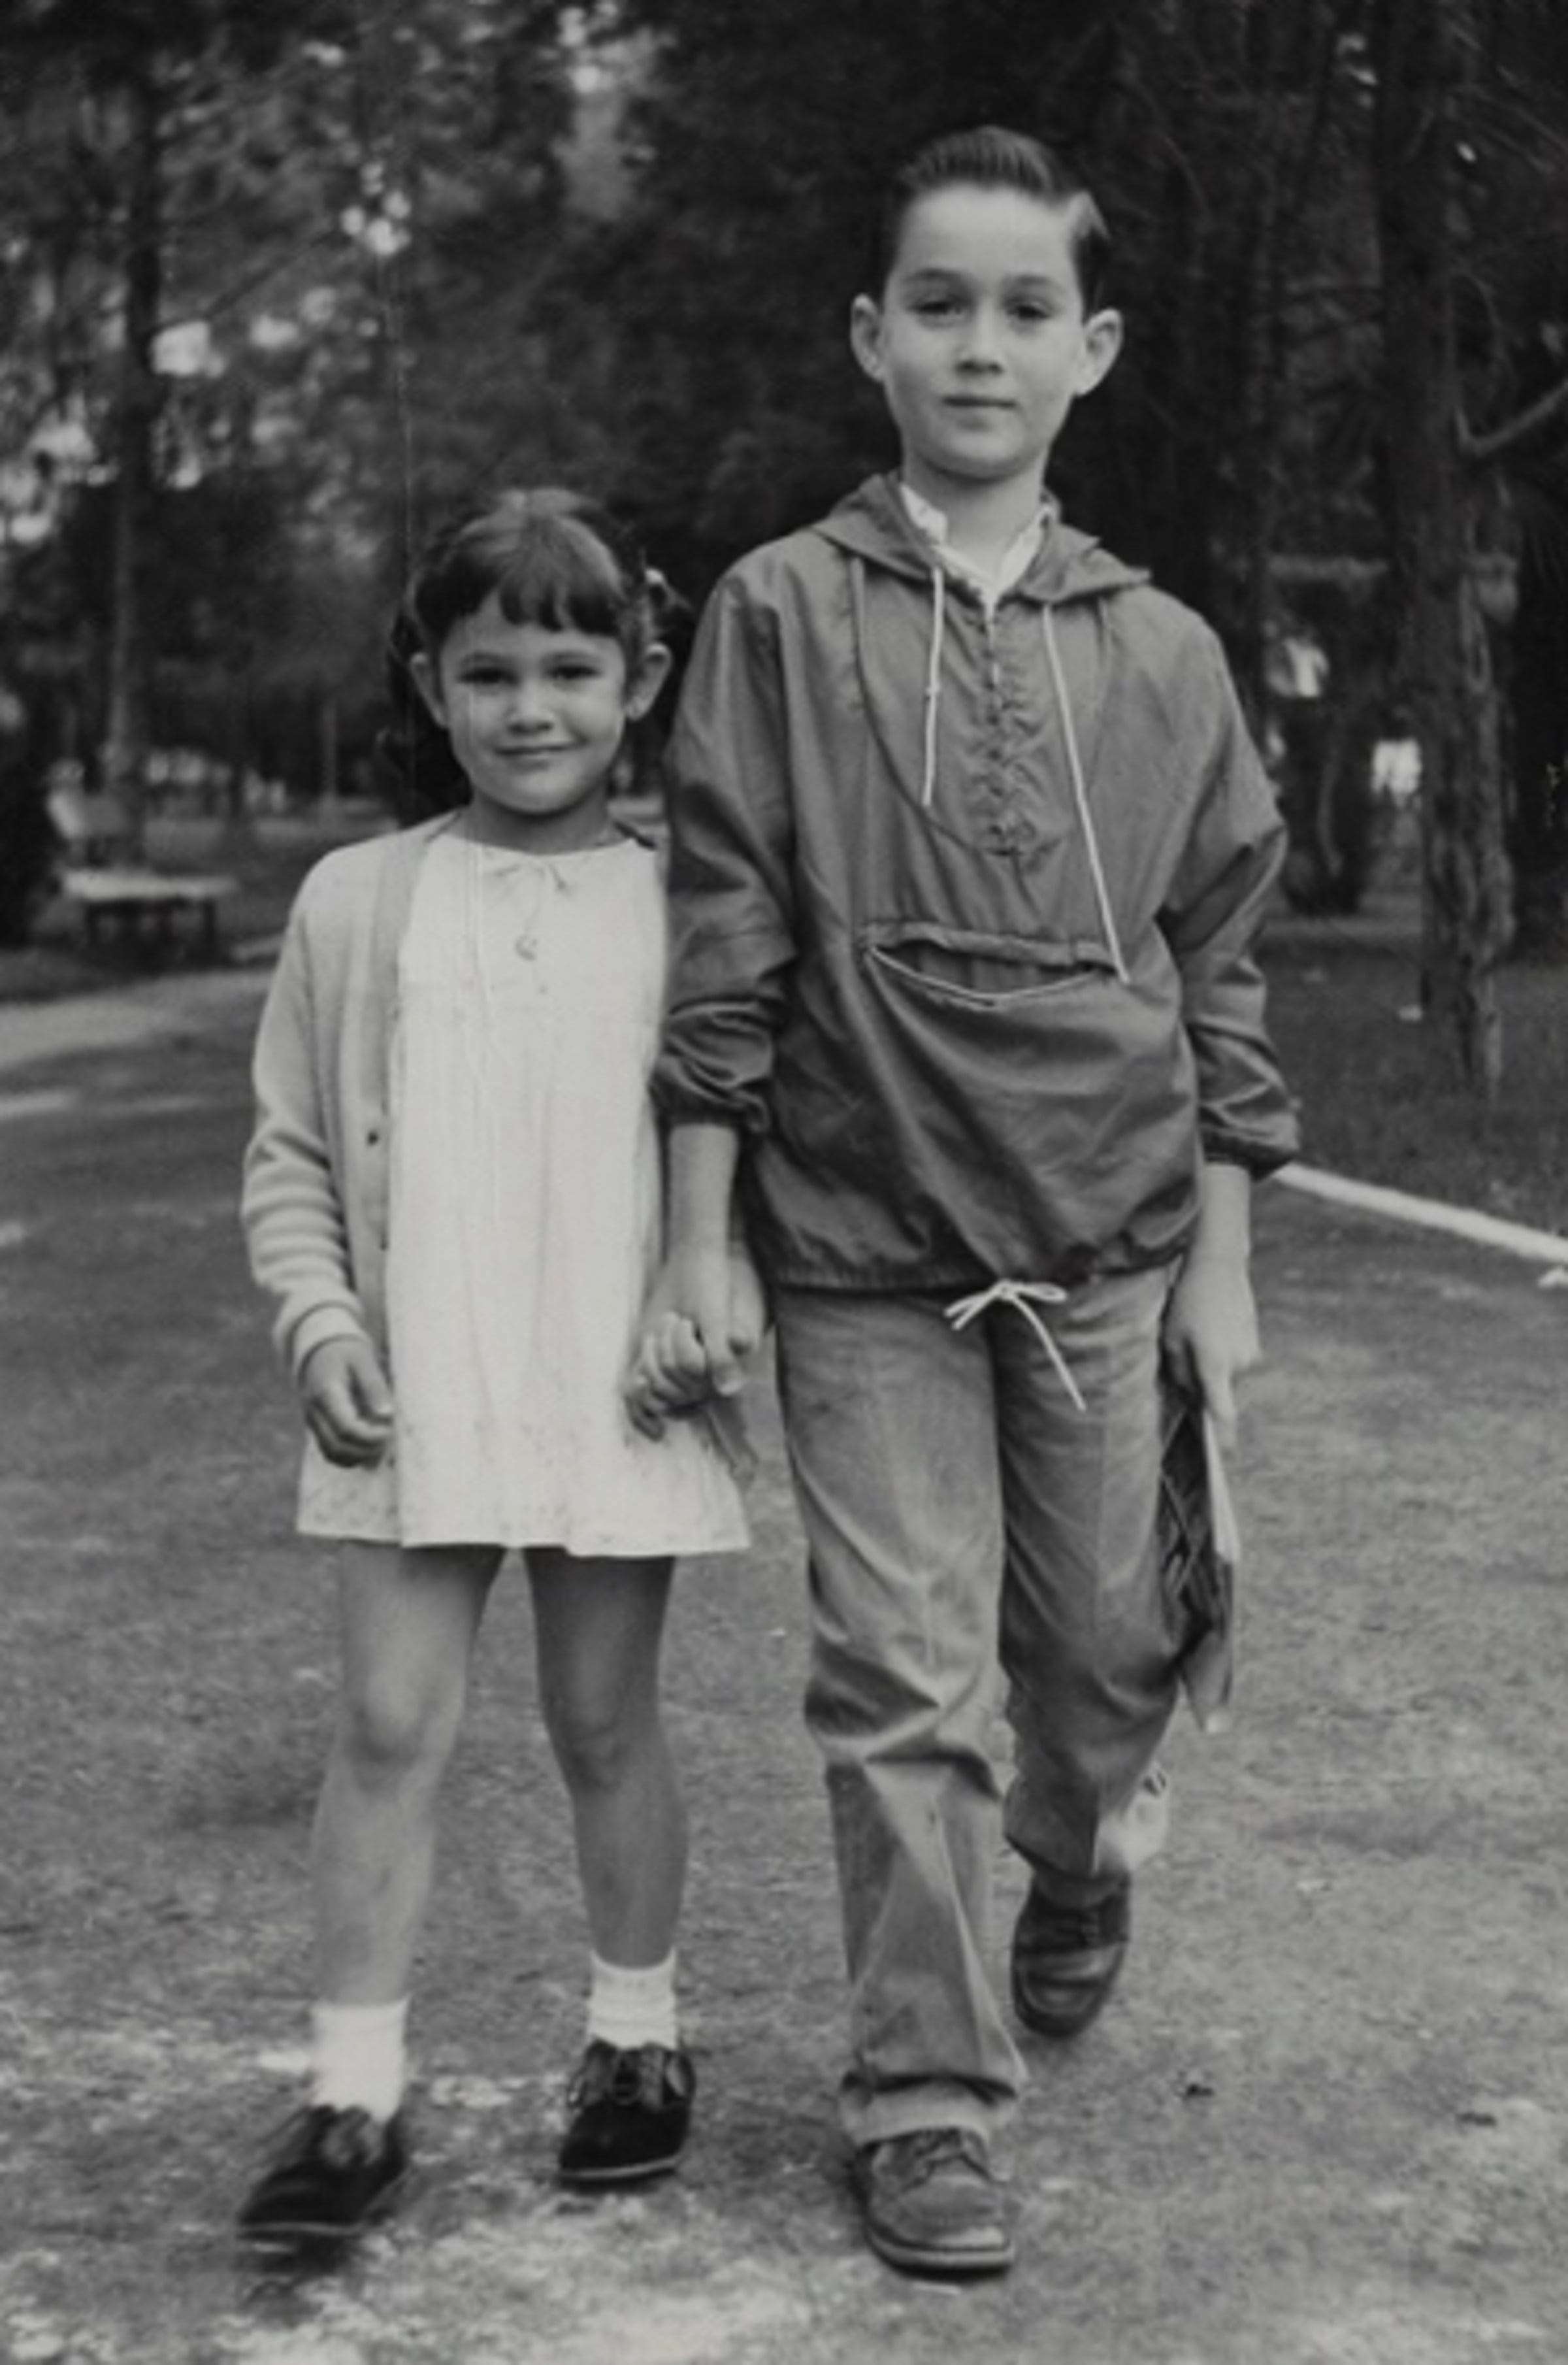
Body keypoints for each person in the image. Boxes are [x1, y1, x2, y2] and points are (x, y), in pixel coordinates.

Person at [627, 126, 1299, 2277]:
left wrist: (1224, 1275)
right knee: (901, 1675)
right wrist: (695, 1235)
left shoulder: (1170, 653)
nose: (980, 345)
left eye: (1026, 310)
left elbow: (1222, 977)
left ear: (1090, 350)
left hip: (1104, 1244)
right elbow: (722, 937)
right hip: (857, 1242)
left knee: (1101, 1661)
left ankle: (1081, 1854)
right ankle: (924, 2091)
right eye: (940, 302)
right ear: (872, 338)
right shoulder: (778, 614)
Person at [237, 487, 753, 2266]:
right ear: (430, 683)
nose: (531, 708)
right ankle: (354, 2091)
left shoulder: (699, 900)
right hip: (421, 1383)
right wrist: (324, 1324)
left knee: (605, 1719)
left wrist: (718, 1288)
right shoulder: (359, 900)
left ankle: (635, 2036)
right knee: (389, 1721)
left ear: (642, 675)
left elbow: (747, 1139)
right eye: (487, 672)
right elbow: (293, 1155)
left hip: (613, 1385)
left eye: (570, 666)